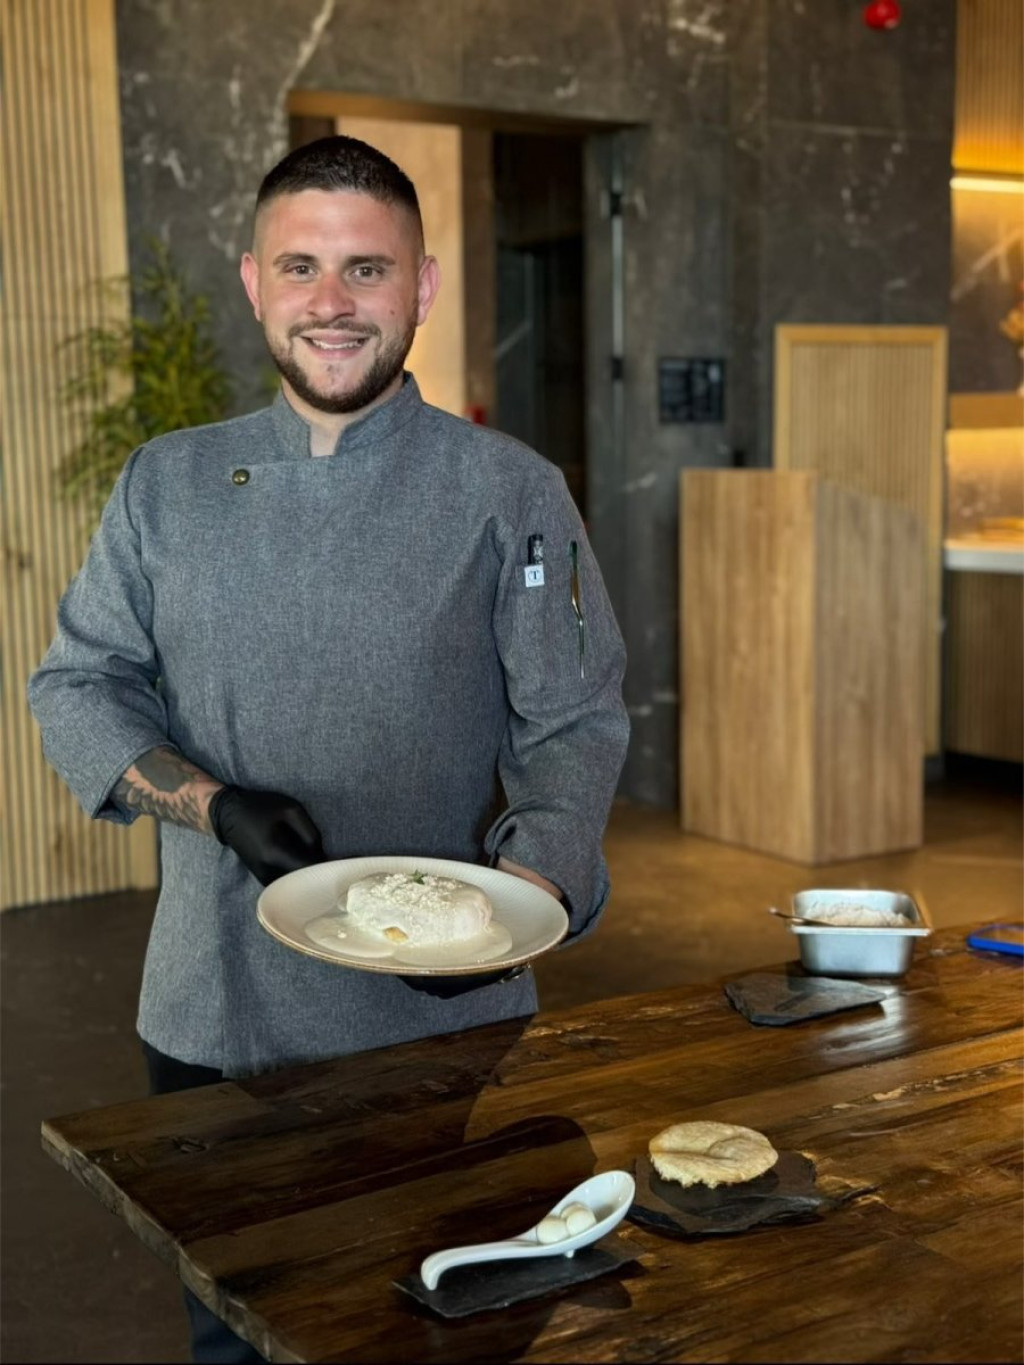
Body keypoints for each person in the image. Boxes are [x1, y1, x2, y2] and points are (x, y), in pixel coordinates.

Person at [28, 136, 629, 1362]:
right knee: (231, 1326)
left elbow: (573, 720)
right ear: (255, 283)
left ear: (422, 286)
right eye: (301, 266)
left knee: (431, 1323)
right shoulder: (164, 483)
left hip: (439, 1022)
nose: (333, 301)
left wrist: (524, 902)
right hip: (211, 1010)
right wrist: (212, 806)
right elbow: (76, 685)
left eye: (369, 268)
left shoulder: (509, 489)